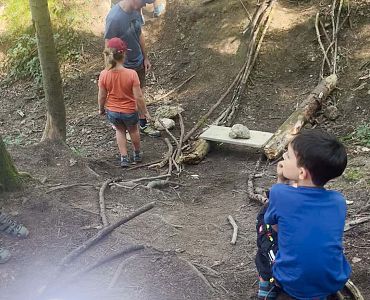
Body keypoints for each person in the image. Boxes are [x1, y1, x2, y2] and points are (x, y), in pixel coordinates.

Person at [255, 129, 351, 300]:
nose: (284, 156)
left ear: (301, 173)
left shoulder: (279, 193)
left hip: (292, 283)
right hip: (334, 279)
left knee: (265, 231)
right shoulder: (338, 201)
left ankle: (266, 284)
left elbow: (276, 228)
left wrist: (281, 180)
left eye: (289, 156)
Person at [105, 0, 160, 138]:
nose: (144, 6)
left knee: (140, 93)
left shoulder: (135, 11)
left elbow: (139, 34)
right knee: (126, 98)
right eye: (143, 3)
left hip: (138, 61)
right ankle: (126, 128)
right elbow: (108, 45)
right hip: (123, 65)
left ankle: (142, 124)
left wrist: (145, 57)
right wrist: (110, 69)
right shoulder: (114, 18)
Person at [98, 37, 151, 167]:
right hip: (130, 111)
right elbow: (138, 97)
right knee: (133, 130)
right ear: (124, 54)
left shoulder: (104, 74)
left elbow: (102, 95)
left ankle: (124, 158)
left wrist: (101, 108)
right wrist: (144, 112)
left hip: (113, 111)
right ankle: (137, 154)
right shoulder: (131, 74)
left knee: (120, 131)